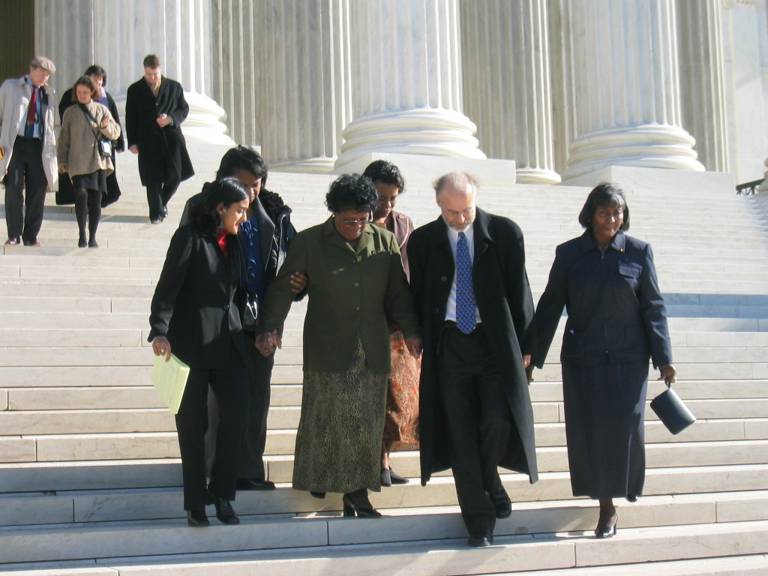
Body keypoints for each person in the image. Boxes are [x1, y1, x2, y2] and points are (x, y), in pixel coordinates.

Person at [255, 174, 421, 518]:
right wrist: (269, 328)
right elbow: (284, 288)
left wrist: (413, 332)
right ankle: (324, 477)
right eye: (349, 220)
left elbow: (398, 295)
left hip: (370, 348)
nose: (357, 226)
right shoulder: (310, 242)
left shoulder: (385, 241)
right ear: (334, 214)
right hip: (327, 345)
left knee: (363, 423)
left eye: (362, 219)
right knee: (326, 418)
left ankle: (357, 495)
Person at [532, 183, 676, 539]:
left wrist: (665, 358)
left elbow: (653, 307)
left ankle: (619, 490)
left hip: (629, 359)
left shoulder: (639, 253)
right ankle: (606, 506)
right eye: (605, 212)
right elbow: (551, 304)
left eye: (618, 212)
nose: (612, 218)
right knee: (591, 431)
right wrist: (531, 354)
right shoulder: (568, 255)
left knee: (626, 425)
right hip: (584, 358)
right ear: (590, 213)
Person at [407, 172, 538, 547]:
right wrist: (415, 332)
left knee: (497, 421)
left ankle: (491, 479)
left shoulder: (504, 233)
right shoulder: (422, 242)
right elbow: (417, 293)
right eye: (452, 212)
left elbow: (520, 290)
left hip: (493, 344)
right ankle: (479, 524)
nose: (460, 218)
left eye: (466, 210)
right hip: (449, 346)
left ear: (475, 200)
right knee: (461, 433)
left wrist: (527, 344)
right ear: (438, 205)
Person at [179, 146, 304, 491]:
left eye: (257, 184)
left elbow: (287, 264)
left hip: (259, 322)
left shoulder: (276, 213)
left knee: (256, 398)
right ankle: (216, 468)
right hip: (217, 320)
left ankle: (247, 470)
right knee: (219, 401)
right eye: (243, 183)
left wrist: (297, 288)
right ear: (223, 178)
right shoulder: (201, 207)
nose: (251, 192)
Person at [148, 178, 251, 527]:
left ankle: (223, 495)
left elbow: (238, 292)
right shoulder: (189, 238)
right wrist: (159, 330)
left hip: (229, 343)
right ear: (221, 208)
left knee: (236, 418)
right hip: (191, 344)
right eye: (239, 210)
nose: (244, 217)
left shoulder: (236, 242)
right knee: (193, 425)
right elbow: (167, 289)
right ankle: (196, 503)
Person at [363, 160, 419, 487]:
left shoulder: (404, 224)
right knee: (370, 396)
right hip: (365, 323)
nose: (386, 205)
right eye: (381, 197)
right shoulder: (353, 221)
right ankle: (372, 461)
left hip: (396, 324)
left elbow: (410, 273)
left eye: (392, 198)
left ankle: (385, 458)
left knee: (396, 398)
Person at [126, 54, 194, 224]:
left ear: (160, 70)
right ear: (144, 71)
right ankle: (155, 214)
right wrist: (132, 141)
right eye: (149, 74)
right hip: (148, 141)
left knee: (176, 175)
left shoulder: (174, 87)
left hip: (172, 139)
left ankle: (161, 204)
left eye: (155, 74)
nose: (152, 78)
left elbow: (183, 109)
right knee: (153, 179)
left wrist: (170, 118)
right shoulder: (134, 90)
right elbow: (130, 117)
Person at [57, 76, 121, 248]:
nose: (82, 95)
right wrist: (62, 160)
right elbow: (63, 139)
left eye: (85, 92)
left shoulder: (102, 110)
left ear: (92, 92)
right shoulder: (70, 112)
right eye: (79, 92)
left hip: (97, 162)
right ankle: (81, 234)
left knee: (95, 200)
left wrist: (105, 127)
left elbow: (116, 133)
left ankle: (92, 236)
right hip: (77, 162)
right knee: (81, 195)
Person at [0, 56, 58, 246]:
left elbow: (51, 126)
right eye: (42, 73)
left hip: (38, 147)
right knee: (13, 188)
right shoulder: (11, 87)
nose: (44, 78)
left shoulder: (48, 94)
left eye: (47, 75)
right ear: (32, 70)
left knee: (38, 190)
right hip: (14, 144)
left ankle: (31, 235)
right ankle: (14, 234)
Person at [58, 65, 125, 207]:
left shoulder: (106, 98)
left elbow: (114, 121)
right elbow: (65, 123)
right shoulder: (71, 96)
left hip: (101, 148)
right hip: (79, 148)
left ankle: (95, 205)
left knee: (102, 186)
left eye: (100, 83)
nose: (98, 85)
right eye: (95, 81)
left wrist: (119, 142)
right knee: (82, 186)